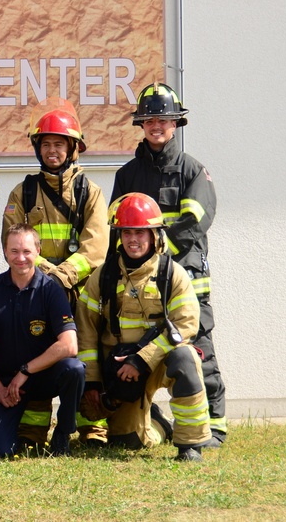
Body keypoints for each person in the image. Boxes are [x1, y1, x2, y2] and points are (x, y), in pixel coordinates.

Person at [110, 82, 225, 447]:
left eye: (163, 119)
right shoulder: (126, 175)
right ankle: (152, 419)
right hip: (140, 286)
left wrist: (158, 255)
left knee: (197, 350)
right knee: (137, 349)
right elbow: (116, 226)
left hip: (185, 278)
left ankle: (215, 427)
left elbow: (196, 220)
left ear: (176, 124)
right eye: (149, 120)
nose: (156, 125)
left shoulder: (193, 171)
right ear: (141, 126)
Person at [0, 101, 109, 448]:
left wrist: (63, 276)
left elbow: (96, 246)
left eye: (59, 144)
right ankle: (32, 432)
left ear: (73, 147)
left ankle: (93, 429)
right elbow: (12, 239)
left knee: (88, 356)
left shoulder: (89, 192)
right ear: (37, 147)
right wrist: (48, 275)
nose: (52, 150)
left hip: (80, 293)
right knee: (37, 354)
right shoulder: (23, 192)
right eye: (45, 144)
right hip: (38, 290)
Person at [76, 193, 211, 461]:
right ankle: (160, 425)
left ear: (155, 236)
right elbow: (86, 330)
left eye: (141, 232)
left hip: (158, 362)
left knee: (185, 359)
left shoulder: (172, 274)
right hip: (121, 372)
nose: (133, 239)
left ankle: (190, 446)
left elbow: (185, 325)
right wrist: (92, 380)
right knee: (127, 442)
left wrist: (141, 360)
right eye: (126, 232)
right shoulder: (102, 277)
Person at [0, 224, 85, 457]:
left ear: (37, 251)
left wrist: (25, 371)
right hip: (4, 384)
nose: (20, 258)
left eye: (26, 251)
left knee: (74, 369)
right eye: (14, 251)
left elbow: (69, 344)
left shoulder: (51, 290)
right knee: (0, 452)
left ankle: (63, 433)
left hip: (40, 377)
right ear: (5, 251)